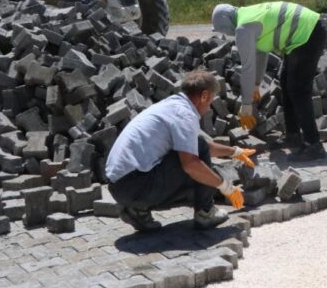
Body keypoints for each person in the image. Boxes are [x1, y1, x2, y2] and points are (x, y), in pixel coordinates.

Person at [105, 69, 253, 233]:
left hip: (120, 186)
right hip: (135, 185)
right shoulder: (185, 114)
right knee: (198, 172)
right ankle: (205, 213)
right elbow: (192, 163)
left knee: (200, 172)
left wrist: (235, 152)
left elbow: (197, 146)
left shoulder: (173, 105)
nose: (210, 106)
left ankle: (137, 210)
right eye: (210, 101)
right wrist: (226, 187)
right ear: (204, 96)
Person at [211, 1, 327, 161]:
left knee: (298, 89)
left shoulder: (243, 28)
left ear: (225, 24)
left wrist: (246, 106)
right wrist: (256, 85)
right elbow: (261, 54)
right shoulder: (247, 15)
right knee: (287, 83)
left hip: (308, 33)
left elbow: (247, 68)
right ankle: (293, 136)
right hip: (306, 32)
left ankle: (314, 145)